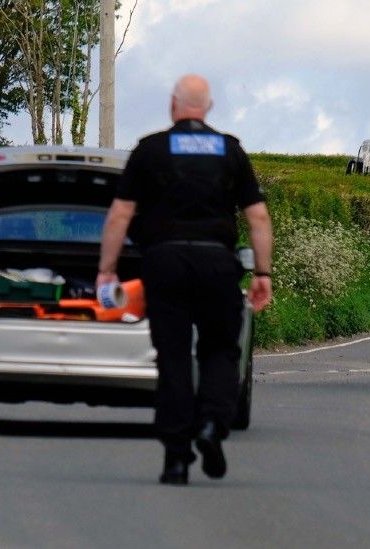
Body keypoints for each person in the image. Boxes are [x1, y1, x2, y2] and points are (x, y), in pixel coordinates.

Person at [97, 74, 273, 485]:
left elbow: (121, 215)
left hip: (165, 262)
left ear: (173, 105)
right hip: (217, 264)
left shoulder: (150, 150)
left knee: (173, 356)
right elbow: (258, 217)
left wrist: (107, 269)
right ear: (207, 108)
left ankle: (176, 459)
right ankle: (212, 426)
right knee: (219, 349)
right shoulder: (230, 151)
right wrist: (262, 272)